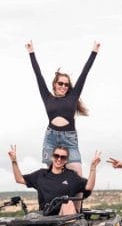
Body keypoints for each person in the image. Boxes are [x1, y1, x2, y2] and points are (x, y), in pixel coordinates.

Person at [26, 40, 99, 176]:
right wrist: (31, 53)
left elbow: (84, 74)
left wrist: (94, 52)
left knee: (77, 173)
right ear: (54, 84)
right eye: (61, 83)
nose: (64, 86)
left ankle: (76, 198)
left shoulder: (73, 97)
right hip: (51, 138)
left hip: (69, 139)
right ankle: (54, 197)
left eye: (66, 84)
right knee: (51, 175)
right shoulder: (47, 97)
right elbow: (38, 75)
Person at [8, 144, 101, 215]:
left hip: (65, 219)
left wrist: (93, 168)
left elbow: (89, 186)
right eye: (57, 156)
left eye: (63, 157)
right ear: (52, 157)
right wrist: (14, 161)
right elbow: (19, 179)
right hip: (46, 218)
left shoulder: (71, 177)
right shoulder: (41, 175)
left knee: (68, 204)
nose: (59, 159)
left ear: (66, 160)